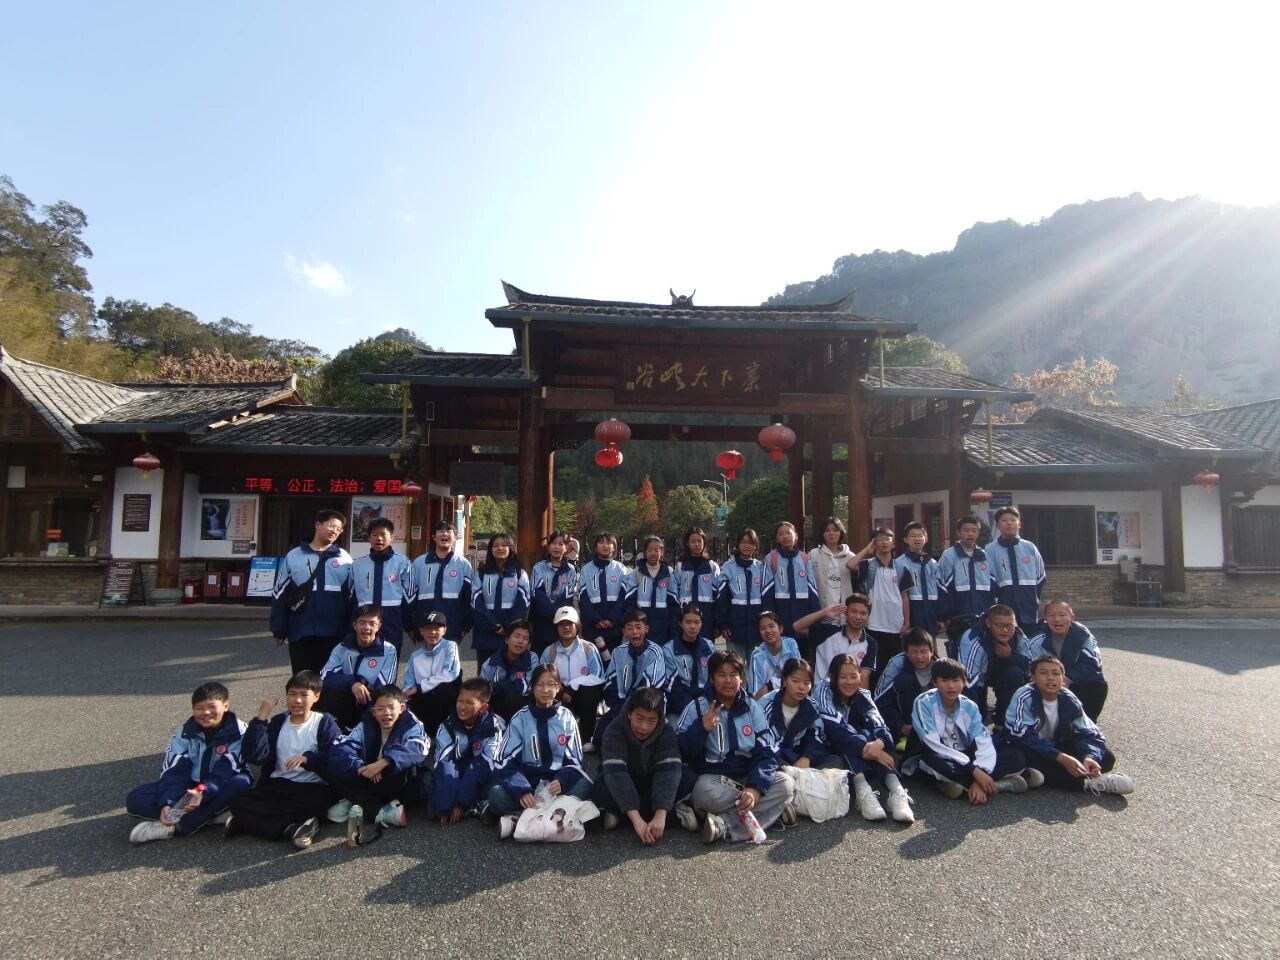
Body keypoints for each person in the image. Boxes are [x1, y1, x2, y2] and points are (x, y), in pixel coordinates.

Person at [675, 651, 795, 844]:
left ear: (742, 678)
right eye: (721, 675)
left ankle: (723, 825)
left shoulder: (753, 707)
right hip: (714, 781)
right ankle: (772, 811)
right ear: (712, 678)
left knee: (786, 784)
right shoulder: (696, 708)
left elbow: (768, 751)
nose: (728, 680)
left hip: (748, 776)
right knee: (703, 791)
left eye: (734, 674)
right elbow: (679, 752)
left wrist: (755, 789)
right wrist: (701, 729)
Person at [225, 671, 343, 849]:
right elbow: (255, 756)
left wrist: (307, 759)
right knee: (238, 801)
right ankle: (291, 829)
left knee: (316, 805)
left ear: (316, 696)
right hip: (278, 784)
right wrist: (260, 719)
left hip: (311, 786)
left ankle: (249, 823)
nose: (297, 700)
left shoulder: (324, 722)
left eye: (304, 695)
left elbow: (336, 758)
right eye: (292, 694)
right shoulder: (279, 722)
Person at [126, 681, 251, 844]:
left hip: (219, 785)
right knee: (136, 798)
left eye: (212, 707)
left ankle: (174, 827)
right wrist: (168, 802)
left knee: (241, 784)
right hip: (190, 787)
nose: (206, 712)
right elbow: (173, 772)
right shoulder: (183, 733)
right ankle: (214, 816)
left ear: (226, 705)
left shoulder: (241, 732)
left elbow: (225, 771)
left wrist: (202, 792)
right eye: (199, 708)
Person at [901, 658, 1030, 804]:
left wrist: (980, 772)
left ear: (963, 681)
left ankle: (967, 786)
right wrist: (974, 771)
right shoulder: (924, 702)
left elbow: (982, 740)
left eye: (956, 680)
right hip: (936, 754)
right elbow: (932, 744)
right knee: (937, 764)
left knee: (1016, 756)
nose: (951, 686)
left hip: (967, 756)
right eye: (944, 680)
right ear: (935, 682)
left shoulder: (970, 706)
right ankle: (996, 785)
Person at [1002, 656, 1133, 796]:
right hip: (1029, 747)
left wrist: (1090, 757)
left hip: (1056, 746)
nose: (1050, 678)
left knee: (1106, 757)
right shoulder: (1024, 696)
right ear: (1033, 678)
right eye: (1043, 673)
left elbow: (1090, 732)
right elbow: (1021, 735)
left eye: (1056, 674)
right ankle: (1088, 783)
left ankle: (1036, 775)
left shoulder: (1068, 698)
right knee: (1021, 758)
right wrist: (1060, 757)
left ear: (1063, 679)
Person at [487, 664, 593, 834]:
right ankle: (557, 817)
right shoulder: (520, 718)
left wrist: (562, 781)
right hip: (529, 784)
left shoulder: (567, 718)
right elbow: (505, 760)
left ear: (558, 687)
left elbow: (575, 760)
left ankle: (519, 820)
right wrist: (521, 790)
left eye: (551, 684)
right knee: (496, 795)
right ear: (532, 688)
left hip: (556, 787)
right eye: (540, 685)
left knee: (586, 785)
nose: (545, 690)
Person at [815, 654, 914, 823]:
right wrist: (873, 750)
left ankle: (896, 791)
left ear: (860, 676)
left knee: (868, 735)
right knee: (852, 737)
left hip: (857, 743)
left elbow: (878, 722)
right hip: (828, 745)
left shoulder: (863, 694)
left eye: (853, 676)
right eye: (843, 677)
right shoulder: (823, 691)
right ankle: (863, 790)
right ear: (833, 677)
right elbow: (835, 728)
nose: (849, 682)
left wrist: (880, 743)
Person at [592, 687, 697, 844]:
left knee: (688, 776)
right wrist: (637, 821)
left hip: (652, 782)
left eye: (651, 721)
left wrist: (660, 814)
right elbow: (616, 774)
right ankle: (674, 815)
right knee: (598, 789)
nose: (644, 727)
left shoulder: (666, 731)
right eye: (639, 719)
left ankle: (620, 816)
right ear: (629, 713)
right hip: (625, 778)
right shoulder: (614, 729)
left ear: (659, 719)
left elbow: (668, 771)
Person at [326, 684, 430, 839]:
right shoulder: (365, 724)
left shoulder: (412, 724)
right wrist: (363, 767)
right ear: (373, 712)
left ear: (401, 708)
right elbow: (342, 748)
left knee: (420, 779)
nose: (386, 713)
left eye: (391, 707)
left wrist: (385, 762)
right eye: (380, 709)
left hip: (397, 778)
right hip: (370, 775)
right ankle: (379, 810)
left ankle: (358, 801)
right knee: (331, 764)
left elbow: (419, 748)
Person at [271, 509, 354, 674]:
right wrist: (279, 628)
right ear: (317, 524)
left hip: (334, 631)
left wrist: (351, 630)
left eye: (338, 529)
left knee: (330, 679)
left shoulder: (344, 558)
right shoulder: (294, 556)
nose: (334, 531)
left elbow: (352, 596)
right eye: (331, 525)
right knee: (303, 679)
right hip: (301, 629)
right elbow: (279, 593)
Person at [432, 679, 506, 825]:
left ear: (483, 707)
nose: (462, 707)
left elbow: (484, 764)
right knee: (428, 782)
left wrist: (461, 802)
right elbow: (445, 761)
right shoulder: (447, 725)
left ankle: (471, 805)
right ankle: (472, 805)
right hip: (456, 772)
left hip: (481, 774)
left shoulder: (495, 727)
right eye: (460, 701)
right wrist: (446, 804)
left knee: (497, 787)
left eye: (469, 703)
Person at [1022, 600, 1108, 720]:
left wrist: (1067, 679)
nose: (1057, 619)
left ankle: (1086, 723)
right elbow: (1029, 666)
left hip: (1072, 680)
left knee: (1097, 683)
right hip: (1045, 682)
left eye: (1062, 615)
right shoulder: (1037, 639)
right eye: (1052, 615)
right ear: (1045, 618)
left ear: (1072, 617)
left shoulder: (1083, 635)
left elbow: (1092, 663)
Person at [317, 604, 398, 729]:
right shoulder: (342, 647)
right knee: (327, 693)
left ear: (379, 626)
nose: (367, 627)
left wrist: (364, 689)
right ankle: (336, 731)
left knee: (385, 701)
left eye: (372, 623)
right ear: (354, 625)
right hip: (346, 697)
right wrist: (352, 683)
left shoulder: (389, 650)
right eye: (362, 622)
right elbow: (325, 676)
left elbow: (385, 686)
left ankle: (365, 732)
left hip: (371, 701)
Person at [598, 609, 672, 744]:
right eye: (630, 628)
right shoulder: (618, 652)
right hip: (620, 704)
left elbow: (651, 685)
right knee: (600, 739)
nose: (635, 632)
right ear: (624, 632)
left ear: (646, 629)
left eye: (638, 627)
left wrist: (630, 704)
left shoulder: (656, 652)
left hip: (647, 703)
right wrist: (619, 704)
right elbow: (609, 683)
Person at [349, 516, 413, 656]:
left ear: (392, 537)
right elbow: (351, 597)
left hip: (391, 620)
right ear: (368, 538)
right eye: (374, 535)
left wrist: (407, 625)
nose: (379, 539)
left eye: (383, 534)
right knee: (363, 660)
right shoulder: (357, 564)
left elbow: (409, 597)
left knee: (390, 658)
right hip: (364, 621)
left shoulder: (403, 563)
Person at [541, 606, 606, 743]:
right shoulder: (549, 651)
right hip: (559, 695)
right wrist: (561, 689)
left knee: (589, 695)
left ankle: (586, 739)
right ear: (556, 627)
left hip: (582, 695)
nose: (566, 627)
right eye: (561, 624)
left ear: (577, 626)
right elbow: (541, 678)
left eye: (569, 623)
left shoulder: (588, 648)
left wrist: (573, 685)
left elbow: (598, 676)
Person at [959, 604, 1031, 725]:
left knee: (1015, 674)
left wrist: (1011, 655)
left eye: (1010, 625)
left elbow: (1031, 666)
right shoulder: (973, 639)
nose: (1005, 630)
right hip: (977, 677)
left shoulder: (1018, 635)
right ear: (988, 623)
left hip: (1001, 673)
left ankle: (1002, 723)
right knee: (978, 715)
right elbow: (967, 682)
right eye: (999, 625)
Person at [847, 528, 912, 665]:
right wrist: (867, 550)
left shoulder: (901, 568)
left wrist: (906, 622)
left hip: (895, 624)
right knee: (873, 665)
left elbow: (904, 597)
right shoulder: (867, 565)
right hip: (873, 624)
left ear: (893, 543)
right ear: (874, 543)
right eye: (880, 539)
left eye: (888, 539)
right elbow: (850, 565)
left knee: (893, 664)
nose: (884, 542)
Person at [471, 532, 531, 666]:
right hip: (485, 634)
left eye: (504, 545)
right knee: (485, 673)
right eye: (496, 545)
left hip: (510, 634)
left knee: (510, 672)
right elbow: (476, 602)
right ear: (490, 549)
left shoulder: (519, 573)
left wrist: (508, 626)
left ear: (511, 548)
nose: (500, 548)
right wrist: (492, 625)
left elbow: (523, 604)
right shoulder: (481, 573)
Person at [408, 520, 474, 643]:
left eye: (449, 531)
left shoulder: (463, 565)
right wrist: (409, 626)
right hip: (424, 625)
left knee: (450, 655)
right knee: (422, 655)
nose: (445, 534)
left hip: (452, 625)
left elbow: (468, 598)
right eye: (440, 531)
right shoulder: (419, 563)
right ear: (433, 537)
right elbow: (410, 596)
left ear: (455, 537)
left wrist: (466, 627)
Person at [758, 658, 827, 773]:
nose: (801, 687)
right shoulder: (766, 704)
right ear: (784, 680)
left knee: (836, 761)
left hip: (799, 757)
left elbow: (817, 736)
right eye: (795, 681)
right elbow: (762, 741)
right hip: (771, 757)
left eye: (807, 683)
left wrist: (807, 757)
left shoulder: (811, 706)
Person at [937, 513, 992, 656]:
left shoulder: (984, 556)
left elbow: (992, 587)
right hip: (958, 616)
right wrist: (944, 616)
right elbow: (942, 587)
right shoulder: (949, 556)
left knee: (982, 651)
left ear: (978, 533)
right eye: (966, 530)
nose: (970, 534)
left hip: (982, 614)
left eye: (974, 530)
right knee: (958, 651)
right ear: (958, 532)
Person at [763, 522, 821, 656]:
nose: (785, 536)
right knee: (781, 654)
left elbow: (812, 589)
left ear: (796, 536)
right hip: (781, 614)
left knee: (802, 656)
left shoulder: (804, 558)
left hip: (802, 614)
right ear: (777, 538)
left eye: (788, 533)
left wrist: (814, 619)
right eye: (780, 534)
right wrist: (770, 619)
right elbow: (766, 591)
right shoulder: (771, 558)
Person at [873, 627, 938, 746]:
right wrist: (900, 725)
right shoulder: (898, 663)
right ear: (906, 653)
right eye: (914, 652)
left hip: (934, 720)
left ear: (932, 651)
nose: (919, 657)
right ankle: (907, 737)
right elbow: (880, 699)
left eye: (923, 652)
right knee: (904, 680)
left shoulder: (941, 667)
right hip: (907, 719)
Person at [403, 611, 462, 736]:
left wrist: (420, 688)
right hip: (423, 698)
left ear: (444, 630)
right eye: (428, 628)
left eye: (437, 628)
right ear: (421, 631)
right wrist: (409, 691)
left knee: (444, 690)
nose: (432, 632)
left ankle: (445, 734)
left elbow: (450, 674)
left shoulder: (450, 646)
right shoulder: (415, 656)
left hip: (444, 697)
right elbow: (408, 685)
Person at [800, 593, 881, 684]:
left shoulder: (871, 643)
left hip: (851, 690)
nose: (858, 617)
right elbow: (798, 627)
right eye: (853, 611)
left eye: (863, 613)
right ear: (846, 612)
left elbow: (864, 677)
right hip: (823, 689)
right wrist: (824, 612)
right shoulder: (827, 632)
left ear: (868, 616)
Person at [989, 506, 1046, 634]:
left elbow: (1041, 576)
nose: (1009, 523)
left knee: (1029, 637)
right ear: (997, 526)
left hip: (1028, 603)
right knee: (1005, 637)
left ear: (1019, 524)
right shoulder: (990, 550)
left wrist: (1034, 598)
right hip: (1004, 603)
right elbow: (988, 579)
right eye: (1004, 520)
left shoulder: (1029, 547)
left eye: (1013, 520)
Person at [578, 531, 631, 654]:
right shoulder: (586, 569)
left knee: (613, 659)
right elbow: (583, 599)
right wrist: (596, 620)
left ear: (614, 547)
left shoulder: (621, 569)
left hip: (614, 628)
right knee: (592, 659)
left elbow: (623, 598)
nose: (605, 545)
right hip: (592, 627)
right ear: (595, 546)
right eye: (601, 542)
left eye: (609, 543)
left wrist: (612, 620)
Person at [716, 529, 765, 658]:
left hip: (757, 629)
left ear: (755, 545)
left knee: (757, 665)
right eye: (743, 542)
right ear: (737, 544)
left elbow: (766, 598)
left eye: (750, 542)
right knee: (735, 666)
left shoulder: (761, 568)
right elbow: (721, 599)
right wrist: (723, 625)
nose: (746, 546)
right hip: (734, 629)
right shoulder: (728, 567)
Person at [809, 516, 856, 649]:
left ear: (841, 532)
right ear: (822, 533)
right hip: (821, 615)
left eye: (835, 530)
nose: (831, 533)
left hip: (844, 617)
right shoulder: (814, 554)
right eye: (827, 530)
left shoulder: (850, 556)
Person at [663, 602, 717, 717]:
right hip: (679, 708)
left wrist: (703, 706)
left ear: (702, 624)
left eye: (697, 622)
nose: (692, 626)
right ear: (680, 623)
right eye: (688, 622)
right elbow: (673, 688)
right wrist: (693, 710)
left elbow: (714, 679)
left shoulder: (709, 647)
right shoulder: (669, 649)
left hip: (707, 705)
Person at [479, 617, 538, 721]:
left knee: (514, 699)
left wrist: (499, 686)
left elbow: (527, 688)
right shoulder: (491, 662)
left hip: (521, 707)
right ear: (507, 639)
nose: (520, 641)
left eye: (525, 638)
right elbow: (482, 690)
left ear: (528, 644)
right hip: (496, 707)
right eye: (517, 636)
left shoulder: (532, 658)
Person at [530, 531, 578, 655]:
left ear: (566, 547)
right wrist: (550, 611)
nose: (557, 547)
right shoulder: (538, 567)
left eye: (561, 544)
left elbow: (567, 597)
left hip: (562, 621)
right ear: (548, 546)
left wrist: (557, 614)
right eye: (554, 543)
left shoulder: (571, 570)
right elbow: (537, 593)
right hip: (541, 620)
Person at [630, 535, 680, 645]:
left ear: (661, 552)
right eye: (650, 550)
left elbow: (674, 603)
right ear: (645, 552)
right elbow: (629, 600)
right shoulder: (637, 571)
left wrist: (673, 627)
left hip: (663, 625)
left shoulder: (668, 572)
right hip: (641, 624)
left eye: (656, 550)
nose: (653, 553)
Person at [896, 522, 943, 636]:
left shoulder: (932, 563)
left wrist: (941, 617)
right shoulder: (900, 563)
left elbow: (940, 589)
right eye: (913, 536)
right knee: (913, 641)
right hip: (913, 609)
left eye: (920, 535)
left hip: (931, 609)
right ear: (906, 539)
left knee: (930, 642)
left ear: (926, 538)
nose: (917, 539)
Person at [747, 610, 803, 699]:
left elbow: (797, 678)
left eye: (771, 626)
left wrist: (771, 685)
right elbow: (757, 694)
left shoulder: (790, 644)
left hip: (791, 697)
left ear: (780, 629)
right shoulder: (757, 655)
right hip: (767, 701)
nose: (768, 631)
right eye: (763, 628)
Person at [674, 527, 720, 633]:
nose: (697, 544)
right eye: (693, 541)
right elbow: (675, 592)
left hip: (706, 613)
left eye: (699, 541)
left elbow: (717, 595)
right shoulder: (681, 566)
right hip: (686, 612)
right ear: (687, 544)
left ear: (704, 542)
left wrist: (717, 623)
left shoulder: (712, 566)